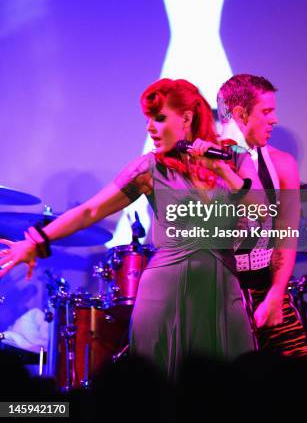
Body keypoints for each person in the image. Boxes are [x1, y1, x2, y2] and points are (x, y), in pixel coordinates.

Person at [0, 78, 260, 377]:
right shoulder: (149, 168)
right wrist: (36, 240)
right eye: (148, 119)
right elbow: (90, 210)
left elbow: (262, 214)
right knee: (161, 388)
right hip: (166, 290)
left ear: (187, 118)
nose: (150, 127)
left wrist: (221, 171)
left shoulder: (234, 158)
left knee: (231, 388)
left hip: (220, 285)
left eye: (160, 118)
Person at [217, 74, 307, 357]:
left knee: (296, 372)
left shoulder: (282, 164)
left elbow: (286, 235)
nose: (275, 120)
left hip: (266, 288)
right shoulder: (206, 163)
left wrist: (276, 296)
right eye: (266, 111)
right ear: (240, 114)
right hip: (216, 292)